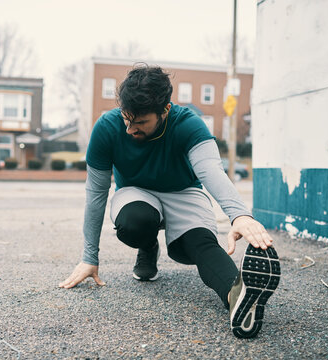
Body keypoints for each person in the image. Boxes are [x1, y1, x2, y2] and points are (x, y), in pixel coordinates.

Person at [59, 64, 281, 338]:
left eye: (140, 123)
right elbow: (95, 195)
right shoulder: (107, 128)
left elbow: (212, 171)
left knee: (199, 245)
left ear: (164, 110)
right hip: (135, 192)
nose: (130, 129)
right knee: (135, 222)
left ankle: (239, 300)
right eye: (127, 119)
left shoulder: (188, 124)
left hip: (183, 191)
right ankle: (148, 245)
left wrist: (240, 215)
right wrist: (89, 257)